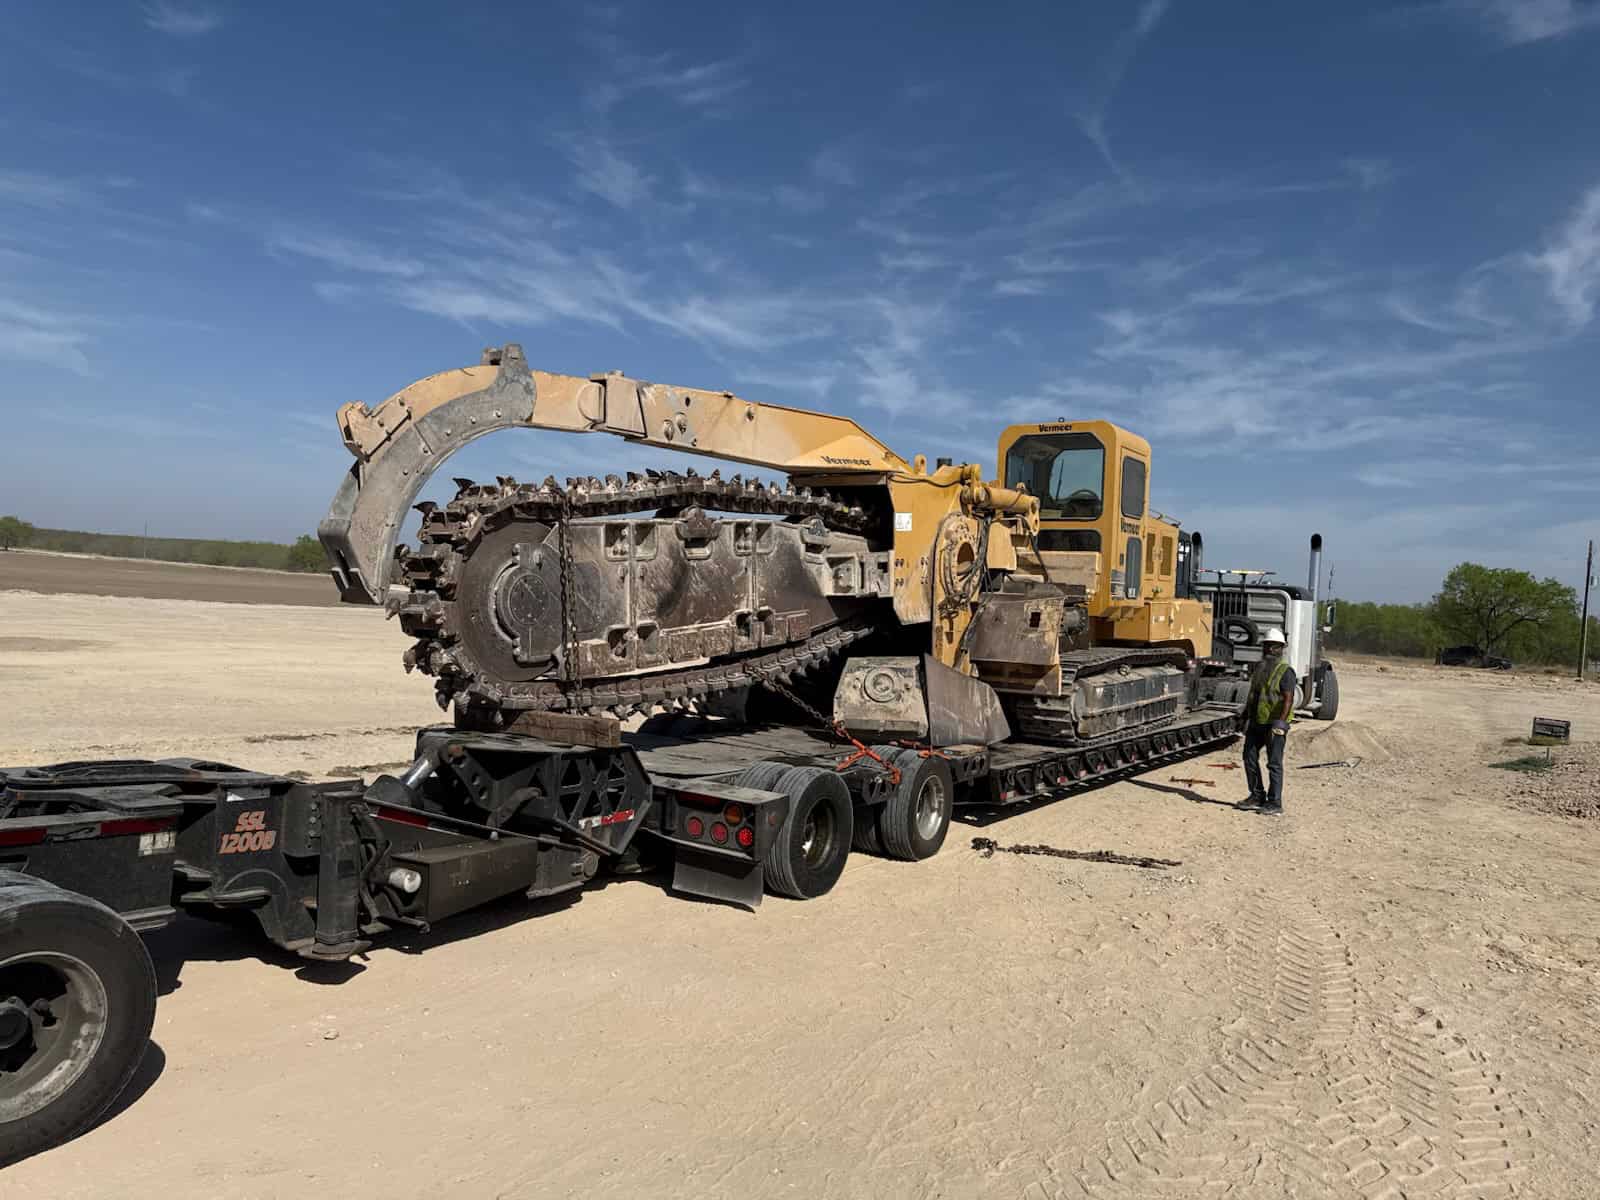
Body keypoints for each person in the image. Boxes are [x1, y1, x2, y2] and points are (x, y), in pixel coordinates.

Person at [1240, 626, 1295, 814]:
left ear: (1281, 649)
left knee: (1274, 763)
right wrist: (1245, 716)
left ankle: (1275, 803)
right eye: (1267, 646)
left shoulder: (1286, 671)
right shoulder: (1260, 668)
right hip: (1257, 722)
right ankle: (1256, 795)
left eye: (1274, 647)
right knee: (1249, 757)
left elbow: (1288, 699)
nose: (1270, 650)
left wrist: (1281, 723)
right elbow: (1253, 695)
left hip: (1274, 725)